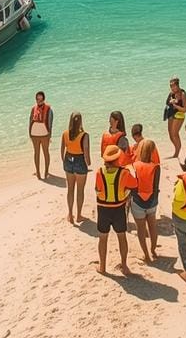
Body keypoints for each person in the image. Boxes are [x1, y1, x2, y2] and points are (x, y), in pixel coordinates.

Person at [94, 145, 133, 275]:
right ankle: (124, 265)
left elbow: (98, 190)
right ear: (117, 159)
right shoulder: (124, 172)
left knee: (103, 238)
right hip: (118, 209)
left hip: (103, 209)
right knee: (122, 237)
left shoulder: (99, 172)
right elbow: (134, 184)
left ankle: (102, 267)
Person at [128, 139, 162, 262]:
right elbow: (156, 186)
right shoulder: (156, 167)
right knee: (153, 227)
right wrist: (154, 200)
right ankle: (153, 250)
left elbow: (133, 186)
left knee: (141, 229)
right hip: (152, 201)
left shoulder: (134, 166)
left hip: (137, 201)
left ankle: (146, 254)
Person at [60, 112, 90, 224]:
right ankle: (79, 215)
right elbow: (86, 150)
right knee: (80, 190)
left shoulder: (65, 133)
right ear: (81, 121)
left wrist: (64, 161)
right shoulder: (84, 135)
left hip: (68, 159)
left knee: (70, 189)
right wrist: (89, 162)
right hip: (80, 161)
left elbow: (62, 149)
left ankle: (70, 214)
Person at [28, 92, 54, 180]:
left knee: (45, 153)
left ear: (44, 99)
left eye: (41, 99)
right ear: (35, 99)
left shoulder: (48, 109)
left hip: (44, 134)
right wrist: (30, 134)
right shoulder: (33, 108)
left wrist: (49, 136)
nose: (39, 101)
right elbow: (30, 121)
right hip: (34, 134)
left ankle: (46, 171)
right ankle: (38, 172)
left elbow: (50, 123)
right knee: (37, 153)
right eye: (38, 99)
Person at [164, 77, 186, 158]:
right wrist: (171, 101)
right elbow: (167, 102)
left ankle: (177, 153)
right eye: (171, 86)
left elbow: (185, 109)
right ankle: (176, 149)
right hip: (171, 114)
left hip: (179, 115)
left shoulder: (183, 94)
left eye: (173, 86)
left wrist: (175, 105)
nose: (172, 87)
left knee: (175, 134)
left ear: (177, 85)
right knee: (170, 134)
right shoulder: (171, 93)